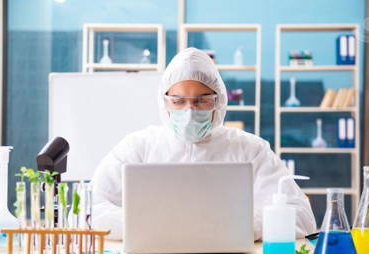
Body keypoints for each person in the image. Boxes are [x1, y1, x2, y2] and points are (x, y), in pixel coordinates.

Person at [91, 47, 316, 240]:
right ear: (164, 102)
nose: (189, 111)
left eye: (202, 101)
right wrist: (152, 224)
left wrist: (241, 224)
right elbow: (92, 209)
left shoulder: (250, 150)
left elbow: (302, 219)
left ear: (219, 101)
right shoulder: (138, 147)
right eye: (178, 101)